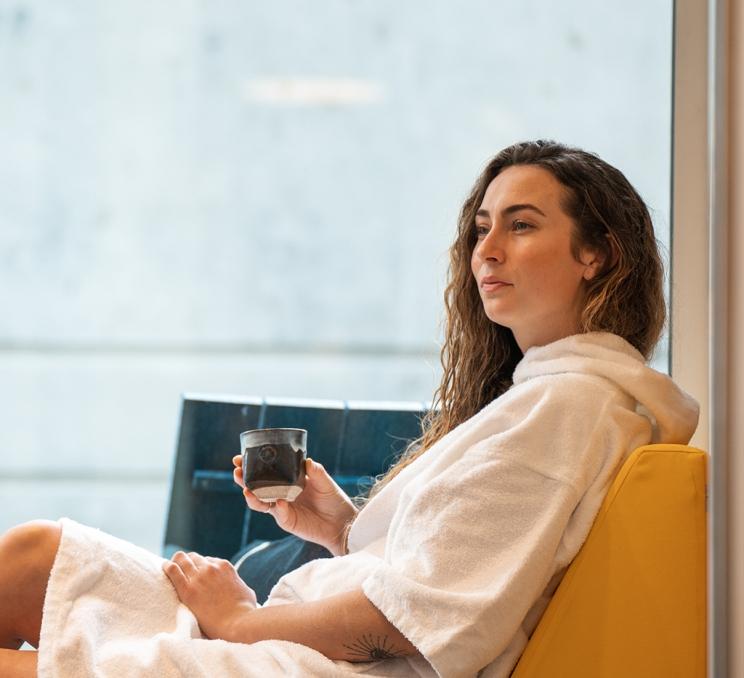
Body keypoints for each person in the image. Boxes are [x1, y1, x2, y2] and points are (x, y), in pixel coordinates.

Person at [0, 140, 698, 678]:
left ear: (597, 255)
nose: (486, 251)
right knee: (37, 553)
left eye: (521, 225)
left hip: (321, 665)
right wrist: (340, 527)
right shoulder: (549, 395)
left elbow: (409, 625)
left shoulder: (568, 407)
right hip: (300, 638)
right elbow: (451, 578)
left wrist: (237, 621)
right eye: (482, 228)